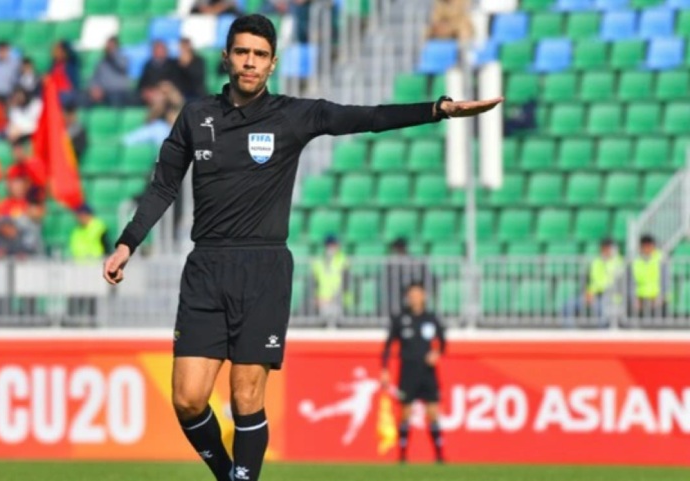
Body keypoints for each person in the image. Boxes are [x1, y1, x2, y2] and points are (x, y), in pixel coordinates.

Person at [102, 14, 501, 481]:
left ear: (273, 64)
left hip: (264, 268)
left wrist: (438, 109)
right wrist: (128, 243)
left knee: (246, 396)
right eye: (242, 52)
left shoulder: (293, 115)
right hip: (206, 267)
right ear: (227, 57)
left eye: (260, 54)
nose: (250, 62)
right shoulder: (196, 116)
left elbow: (368, 117)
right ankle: (230, 474)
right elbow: (163, 186)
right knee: (188, 399)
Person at [380, 283, 446, 464]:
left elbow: (443, 342)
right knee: (405, 413)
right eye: (412, 294)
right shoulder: (401, 319)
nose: (415, 297)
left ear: (424, 296)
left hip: (427, 372)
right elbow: (387, 347)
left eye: (418, 294)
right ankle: (402, 456)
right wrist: (384, 369)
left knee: (433, 412)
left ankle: (439, 455)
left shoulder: (431, 318)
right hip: (408, 371)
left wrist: (437, 352)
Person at [562, 238, 624, 323]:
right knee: (568, 305)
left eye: (608, 248)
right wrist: (587, 292)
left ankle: (602, 334)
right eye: (604, 248)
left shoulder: (620, 263)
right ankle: (570, 334)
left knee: (601, 309)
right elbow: (588, 281)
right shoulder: (595, 262)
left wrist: (594, 293)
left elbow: (616, 285)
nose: (606, 250)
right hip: (592, 295)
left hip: (610, 298)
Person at [386, 237, 436, 316]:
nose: (398, 250)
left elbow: (418, 276)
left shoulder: (413, 260)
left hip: (409, 286)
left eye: (400, 247)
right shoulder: (391, 261)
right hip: (397, 290)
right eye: (397, 248)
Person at [312, 235, 350, 322]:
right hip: (323, 300)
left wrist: (341, 297)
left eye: (335, 245)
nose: (333, 248)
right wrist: (316, 298)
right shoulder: (318, 261)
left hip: (339, 299)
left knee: (338, 320)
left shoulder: (343, 260)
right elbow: (314, 282)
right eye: (330, 245)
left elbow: (347, 281)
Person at [630, 234, 668, 317]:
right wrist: (634, 298)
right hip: (641, 298)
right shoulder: (635, 261)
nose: (647, 248)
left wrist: (662, 296)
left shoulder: (661, 258)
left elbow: (665, 279)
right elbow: (631, 282)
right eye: (644, 245)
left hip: (657, 298)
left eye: (649, 245)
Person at [88, 36, 133, 107]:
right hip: (104, 92)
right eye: (108, 45)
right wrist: (94, 88)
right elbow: (95, 77)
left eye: (112, 46)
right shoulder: (101, 62)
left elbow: (122, 68)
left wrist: (113, 55)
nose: (109, 48)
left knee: (115, 98)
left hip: (119, 91)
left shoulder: (124, 59)